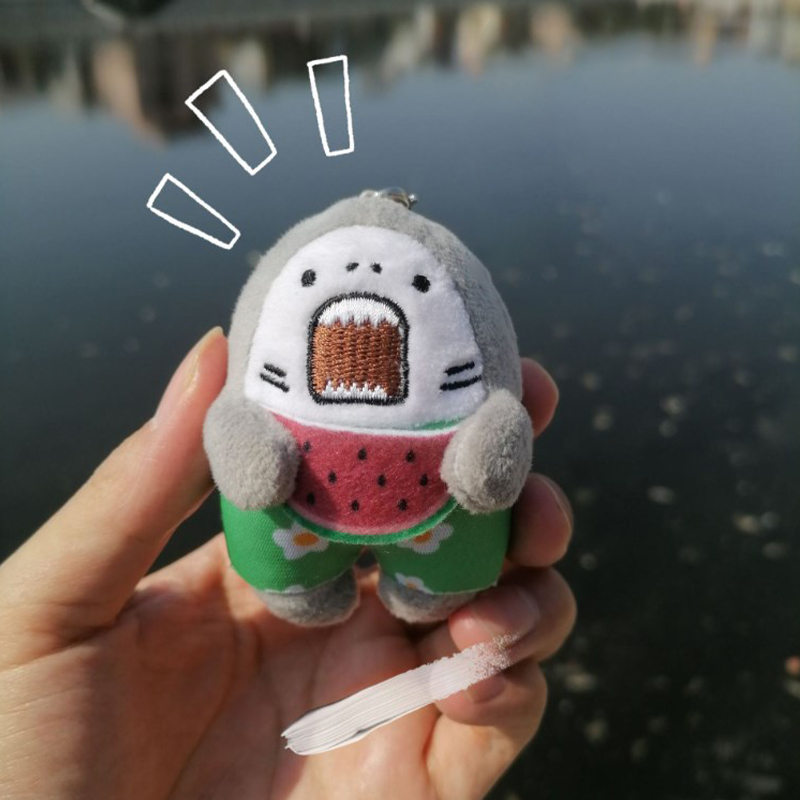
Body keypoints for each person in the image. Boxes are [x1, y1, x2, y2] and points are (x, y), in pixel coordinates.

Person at [0, 327, 576, 800]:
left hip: (433, 532)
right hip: (289, 540)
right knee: (472, 613)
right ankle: (351, 586)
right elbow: (234, 425)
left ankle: (413, 587)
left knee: (474, 613)